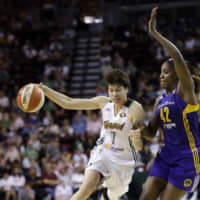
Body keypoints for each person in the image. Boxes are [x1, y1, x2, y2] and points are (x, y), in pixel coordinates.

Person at [39, 68, 145, 200]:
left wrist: (136, 139)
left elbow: (140, 147)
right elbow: (68, 103)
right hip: (103, 152)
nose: (114, 94)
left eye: (118, 90)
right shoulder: (104, 102)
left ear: (126, 89)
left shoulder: (135, 109)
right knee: (86, 188)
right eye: (111, 90)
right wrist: (46, 91)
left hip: (124, 162)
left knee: (110, 197)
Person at [131, 7, 200, 200]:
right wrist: (138, 125)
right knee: (145, 197)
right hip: (165, 155)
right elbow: (151, 134)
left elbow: (177, 57)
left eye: (166, 72)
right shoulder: (159, 101)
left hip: (187, 157)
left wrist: (155, 33)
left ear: (178, 74)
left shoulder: (187, 92)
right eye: (160, 72)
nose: (161, 75)